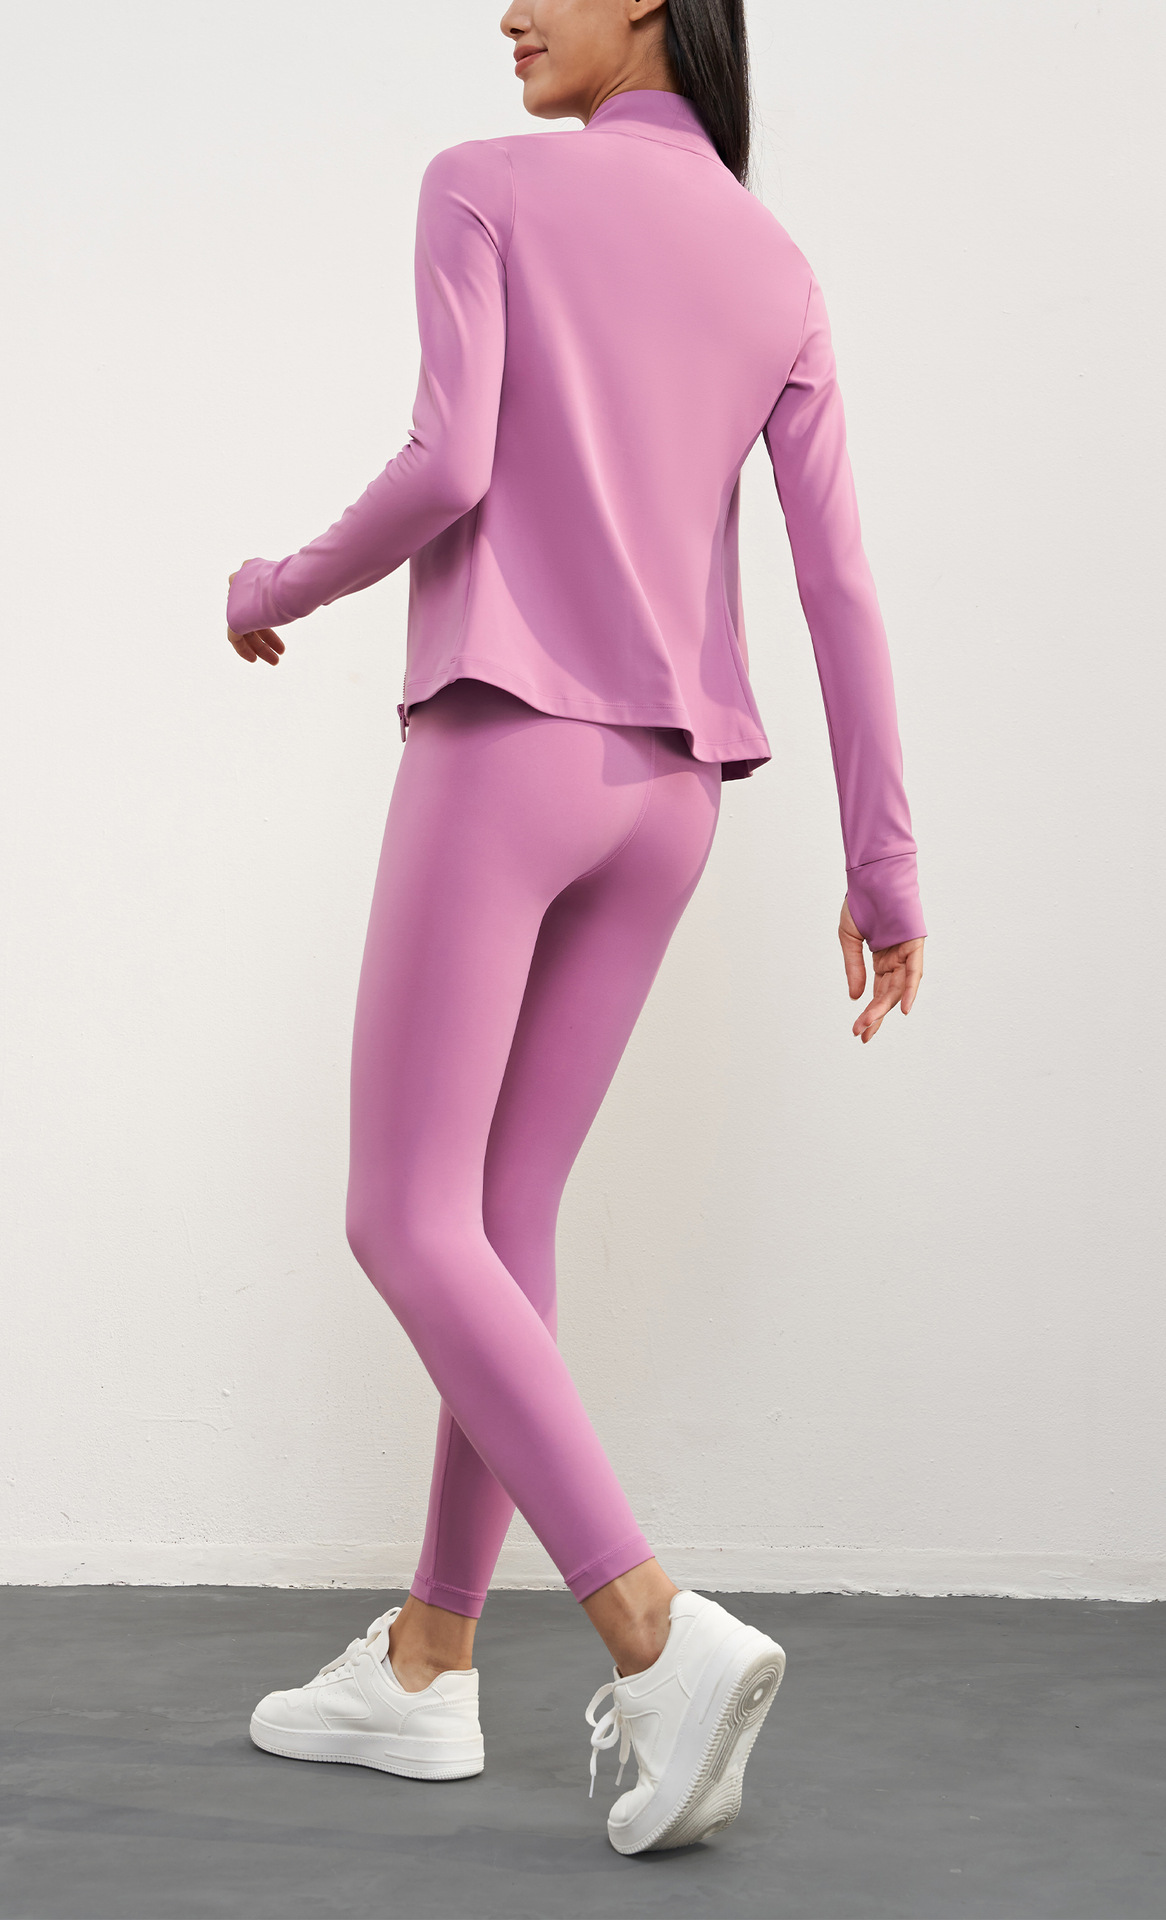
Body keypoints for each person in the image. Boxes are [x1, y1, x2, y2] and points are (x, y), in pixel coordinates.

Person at [225, 0, 926, 1858]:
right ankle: (430, 1660)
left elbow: (445, 467)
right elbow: (837, 581)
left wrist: (273, 581)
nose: (509, 10)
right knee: (501, 1215)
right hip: (673, 800)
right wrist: (882, 867)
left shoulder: (484, 185)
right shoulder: (775, 267)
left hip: (506, 751)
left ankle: (650, 1629)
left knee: (403, 1215)